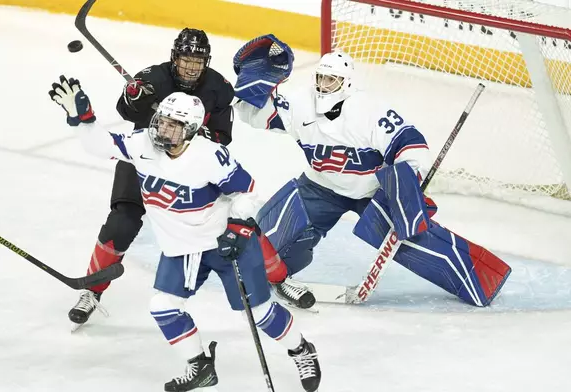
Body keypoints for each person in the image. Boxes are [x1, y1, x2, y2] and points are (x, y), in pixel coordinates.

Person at [49, 76, 322, 392]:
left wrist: (235, 227)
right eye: (162, 122)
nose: (164, 130)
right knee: (162, 307)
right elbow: (100, 145)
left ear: (191, 130)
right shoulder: (143, 145)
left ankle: (302, 349)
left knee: (259, 312)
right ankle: (200, 367)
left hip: (225, 245)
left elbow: (247, 193)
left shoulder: (210, 156)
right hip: (183, 249)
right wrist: (83, 120)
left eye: (174, 126)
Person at [233, 36, 512, 309]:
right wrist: (253, 85)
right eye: (320, 78)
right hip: (320, 187)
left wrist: (408, 186)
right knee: (266, 252)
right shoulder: (300, 104)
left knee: (413, 237)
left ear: (347, 83)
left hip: (370, 192)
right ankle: (277, 275)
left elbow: (409, 142)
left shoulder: (368, 111)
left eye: (331, 80)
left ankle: (480, 276)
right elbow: (255, 115)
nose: (323, 85)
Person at [67, 28, 236, 327]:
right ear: (174, 58)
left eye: (197, 63)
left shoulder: (219, 88)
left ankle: (266, 280)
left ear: (206, 62)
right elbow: (127, 111)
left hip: (190, 169)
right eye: (185, 61)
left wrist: (201, 134)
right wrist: (134, 97)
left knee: (228, 223)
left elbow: (223, 137)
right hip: (145, 159)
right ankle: (92, 290)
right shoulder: (154, 78)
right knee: (122, 222)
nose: (190, 69)